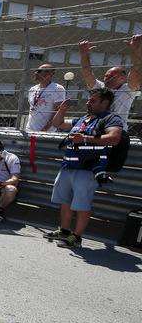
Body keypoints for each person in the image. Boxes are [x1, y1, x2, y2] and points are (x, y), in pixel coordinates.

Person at [46, 88, 123, 248]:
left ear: (105, 102)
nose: (88, 102)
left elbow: (115, 138)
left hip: (87, 170)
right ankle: (65, 231)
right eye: (89, 99)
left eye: (93, 100)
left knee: (81, 204)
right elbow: (57, 123)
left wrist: (85, 138)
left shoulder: (110, 119)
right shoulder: (83, 119)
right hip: (67, 167)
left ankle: (77, 237)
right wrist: (62, 109)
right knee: (65, 201)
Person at [79, 34, 142, 129]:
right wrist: (84, 55)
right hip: (95, 128)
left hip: (116, 130)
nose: (106, 79)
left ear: (121, 78)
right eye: (106, 76)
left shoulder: (127, 91)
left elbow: (135, 71)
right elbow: (87, 73)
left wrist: (136, 51)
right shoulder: (99, 88)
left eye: (111, 77)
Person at [26, 64, 65, 132]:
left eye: (39, 71)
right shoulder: (32, 89)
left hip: (47, 132)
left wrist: (44, 130)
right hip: (30, 130)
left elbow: (57, 112)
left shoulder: (57, 88)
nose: (36, 73)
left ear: (49, 74)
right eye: (36, 71)